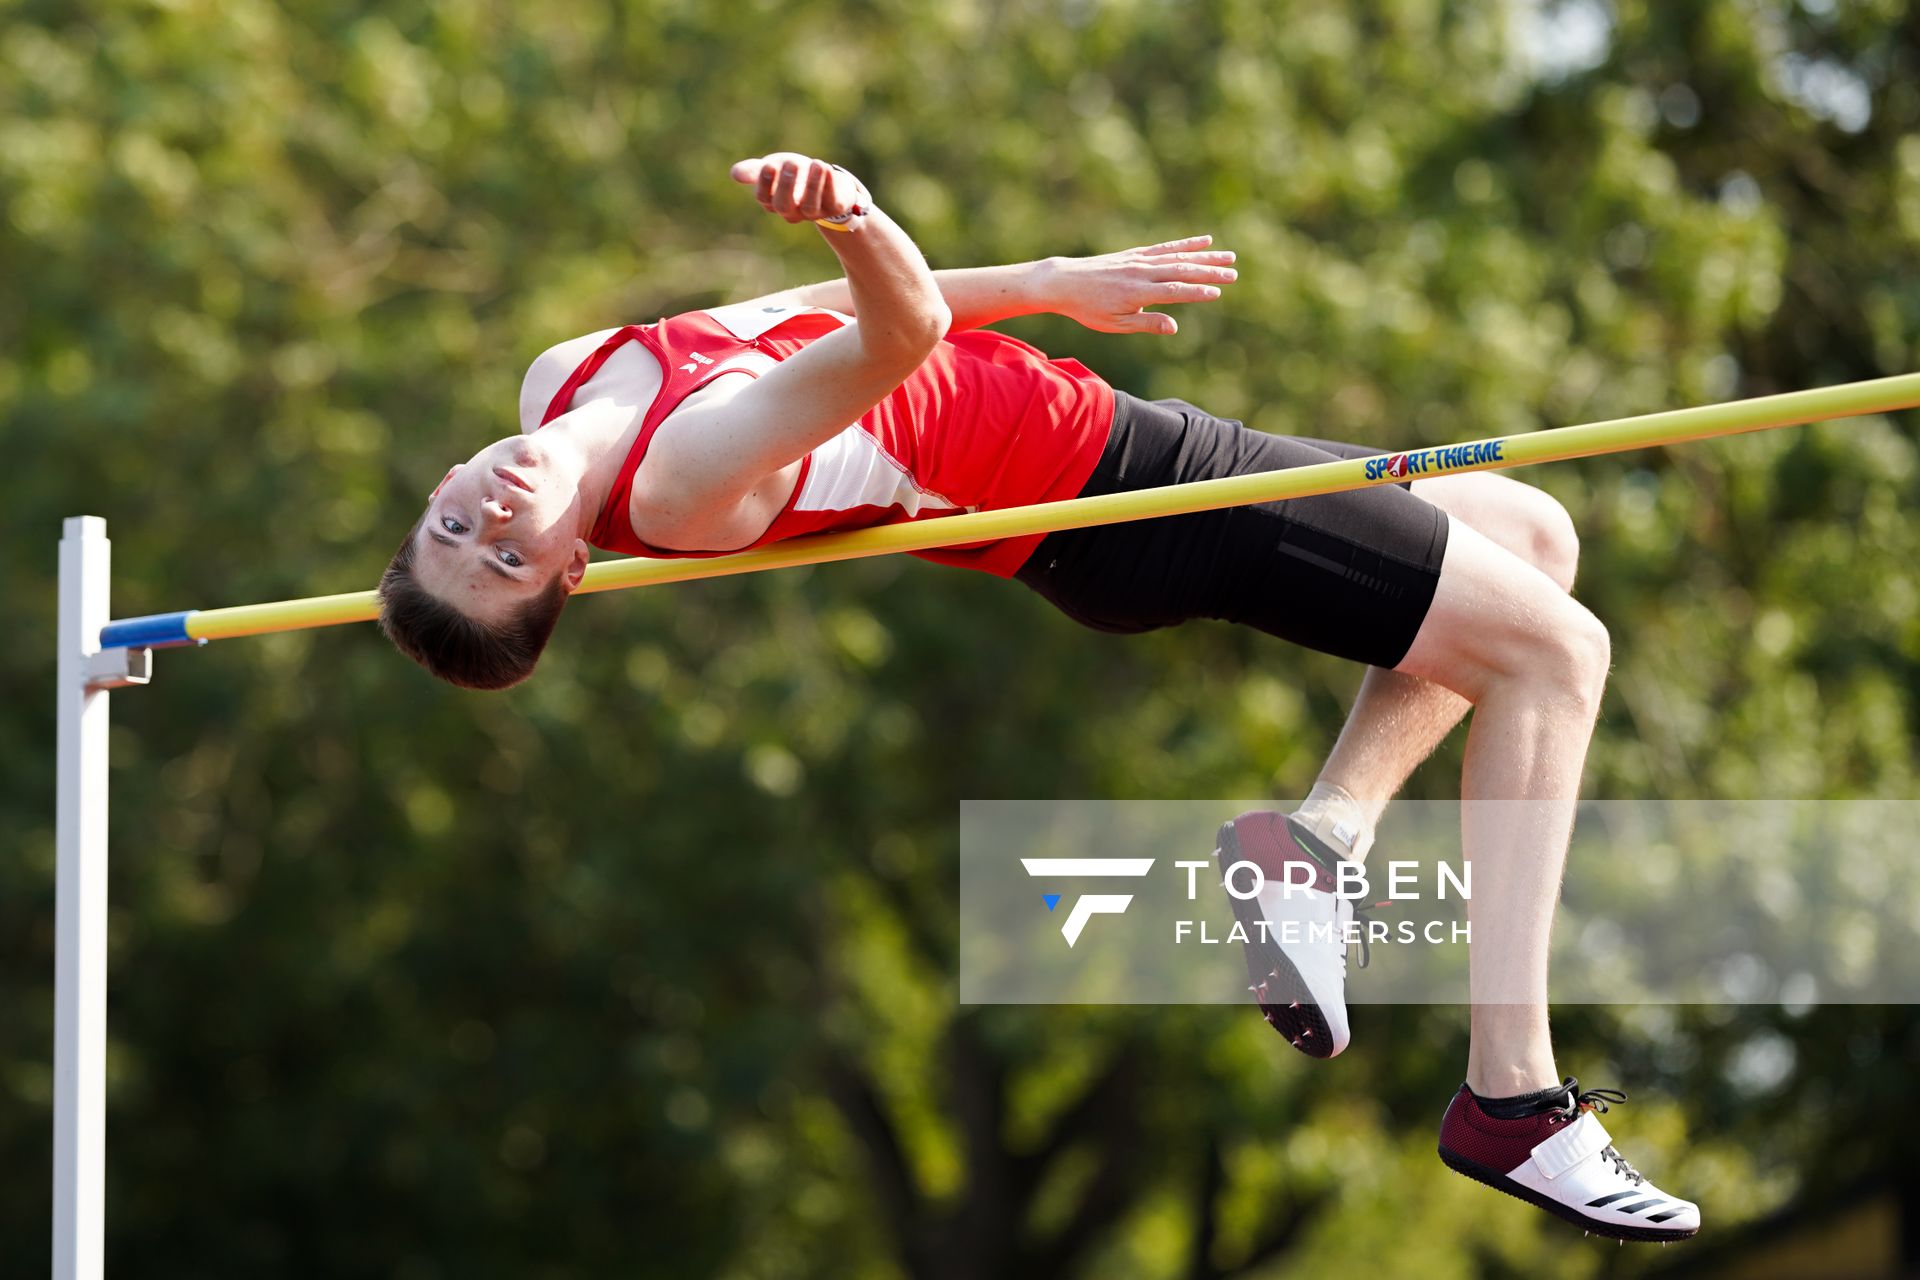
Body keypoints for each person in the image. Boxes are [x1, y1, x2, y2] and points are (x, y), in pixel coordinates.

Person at [377, 153, 1699, 1242]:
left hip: (1111, 459)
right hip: (1124, 505)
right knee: (1554, 655)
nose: (487, 520)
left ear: (437, 482)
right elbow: (896, 334)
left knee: (1526, 538)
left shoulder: (558, 375)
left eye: (454, 529)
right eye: (505, 563)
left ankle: (1314, 849)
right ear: (568, 568)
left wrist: (1050, 284)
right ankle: (1509, 1096)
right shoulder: (677, 483)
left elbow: (789, 317)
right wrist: (855, 218)